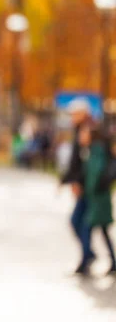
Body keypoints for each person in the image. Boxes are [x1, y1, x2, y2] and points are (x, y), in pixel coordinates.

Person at [60, 98, 95, 274]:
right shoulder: (80, 130)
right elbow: (75, 161)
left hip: (88, 187)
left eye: (75, 113)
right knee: (83, 223)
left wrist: (77, 182)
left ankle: (88, 256)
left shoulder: (88, 131)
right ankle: (88, 256)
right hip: (84, 185)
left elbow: (86, 163)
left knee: (79, 222)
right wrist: (65, 180)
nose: (72, 117)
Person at [78, 123, 116, 274]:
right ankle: (112, 261)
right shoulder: (92, 150)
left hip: (98, 198)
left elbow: (96, 173)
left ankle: (86, 258)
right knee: (103, 230)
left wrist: (89, 190)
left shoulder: (97, 151)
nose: (81, 136)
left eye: (84, 133)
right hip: (98, 197)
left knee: (86, 227)